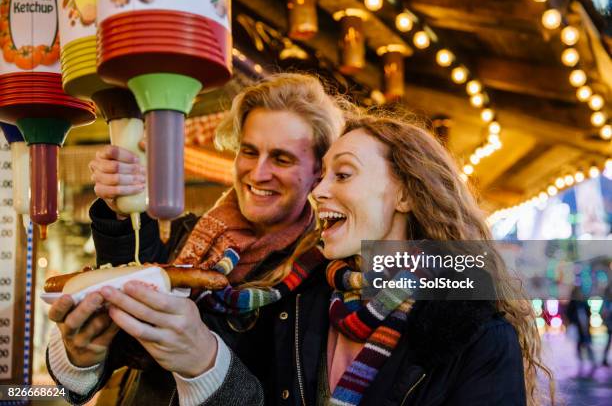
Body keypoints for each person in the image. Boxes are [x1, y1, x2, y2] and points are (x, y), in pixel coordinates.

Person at [149, 112, 554, 405]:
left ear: (405, 196)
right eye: (321, 175)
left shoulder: (475, 331)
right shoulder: (292, 301)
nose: (319, 190)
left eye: (342, 175)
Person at [45, 73, 345, 405]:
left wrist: (205, 364)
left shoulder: (327, 275)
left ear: (319, 171)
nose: (258, 173)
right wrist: (80, 354)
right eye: (248, 151)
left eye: (282, 158)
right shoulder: (182, 234)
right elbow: (100, 365)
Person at [566, 286, 596, 375]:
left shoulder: (583, 301)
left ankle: (591, 359)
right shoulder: (573, 302)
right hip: (578, 326)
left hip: (585, 325)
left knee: (587, 343)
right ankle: (581, 360)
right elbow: (569, 313)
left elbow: (589, 311)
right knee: (580, 344)